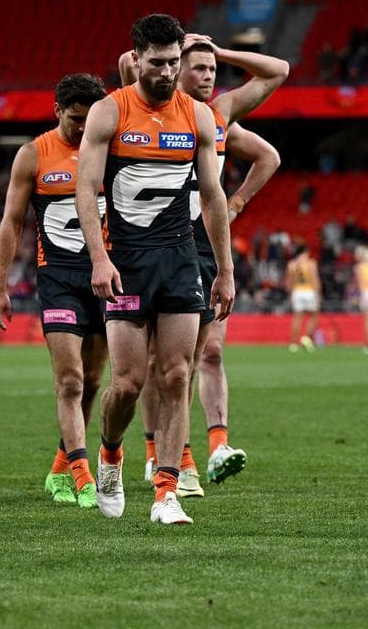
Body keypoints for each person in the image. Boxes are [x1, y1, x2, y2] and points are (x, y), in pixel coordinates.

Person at [75, 13, 234, 525]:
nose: (167, 72)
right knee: (127, 382)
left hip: (180, 258)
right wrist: (98, 257)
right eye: (158, 62)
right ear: (136, 58)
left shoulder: (198, 117)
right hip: (126, 262)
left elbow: (212, 197)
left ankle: (165, 491)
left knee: (177, 374)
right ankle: (111, 453)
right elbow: (85, 188)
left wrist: (225, 270)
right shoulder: (109, 111)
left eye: (174, 63)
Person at [119, 32, 285, 492]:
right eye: (199, 67)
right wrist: (178, 46)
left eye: (213, 70)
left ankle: (199, 452)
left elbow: (279, 72)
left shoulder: (219, 114)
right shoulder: (152, 106)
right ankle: (162, 454)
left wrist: (236, 204)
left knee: (197, 356)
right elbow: (125, 64)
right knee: (155, 362)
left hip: (204, 241)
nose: (208, 75)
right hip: (152, 240)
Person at [0, 73, 109, 509]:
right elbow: (11, 223)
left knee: (93, 380)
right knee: (70, 378)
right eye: (75, 119)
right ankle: (82, 473)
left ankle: (60, 464)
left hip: (105, 276)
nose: (81, 128)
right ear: (58, 111)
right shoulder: (33, 155)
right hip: (57, 278)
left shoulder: (111, 152)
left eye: (89, 119)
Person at [286, 244, 321, 352]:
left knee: (297, 318)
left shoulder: (291, 264)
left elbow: (289, 282)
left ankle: (293, 344)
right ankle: (306, 338)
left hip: (297, 291)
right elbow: (315, 280)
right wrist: (318, 293)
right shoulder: (311, 263)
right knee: (314, 316)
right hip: (309, 291)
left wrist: (291, 294)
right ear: (306, 252)